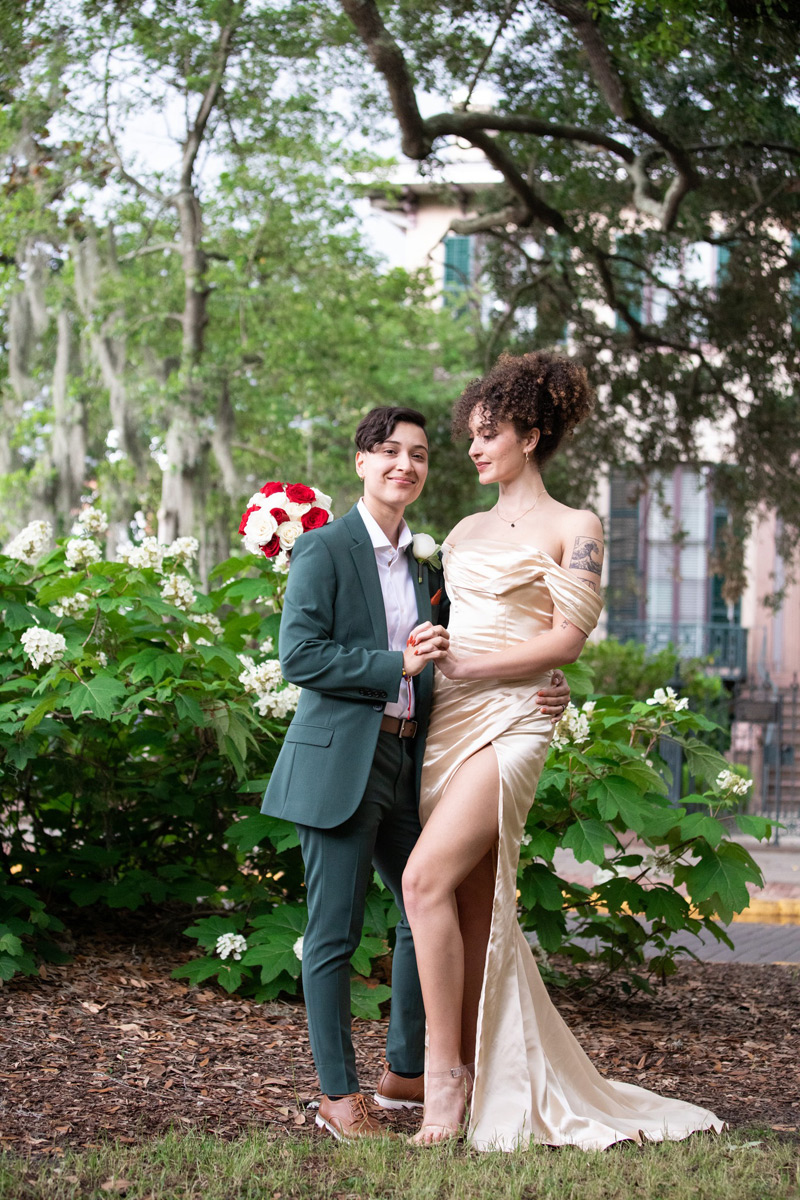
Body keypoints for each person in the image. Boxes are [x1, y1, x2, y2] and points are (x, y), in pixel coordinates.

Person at [402, 352, 724, 1150]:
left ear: (531, 435)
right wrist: (435, 655)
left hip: (517, 719)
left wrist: (482, 668)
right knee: (471, 903)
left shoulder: (577, 527)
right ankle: (482, 1069)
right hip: (449, 722)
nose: (474, 448)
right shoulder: (463, 531)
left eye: (490, 434)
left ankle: (443, 1080)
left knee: (421, 879)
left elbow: (565, 642)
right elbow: (448, 626)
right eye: (472, 434)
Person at [261, 405, 571, 1140]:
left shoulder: (433, 563)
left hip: (411, 759)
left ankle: (406, 1071)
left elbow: (477, 645)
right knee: (333, 932)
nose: (405, 465)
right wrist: (393, 664)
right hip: (340, 761)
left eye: (420, 455)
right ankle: (338, 1096)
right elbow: (299, 656)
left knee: (424, 903)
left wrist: (543, 682)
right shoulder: (324, 549)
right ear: (362, 462)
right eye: (390, 451)